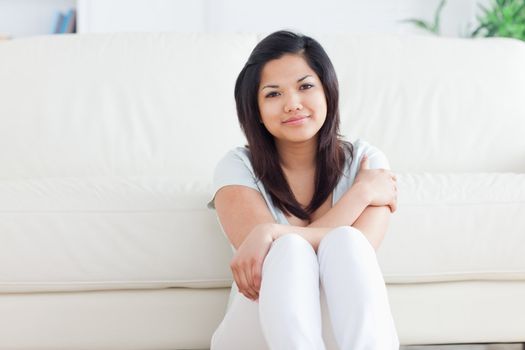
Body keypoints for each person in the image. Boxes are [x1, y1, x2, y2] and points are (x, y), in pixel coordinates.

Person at [207, 30, 400, 350]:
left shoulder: (367, 163)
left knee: (347, 242)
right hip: (258, 332)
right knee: (289, 252)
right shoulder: (236, 166)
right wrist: (360, 196)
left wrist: (271, 231)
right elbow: (266, 258)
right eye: (273, 94)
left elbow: (361, 251)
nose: (292, 104)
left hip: (345, 331)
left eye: (305, 86)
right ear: (254, 107)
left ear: (328, 91)